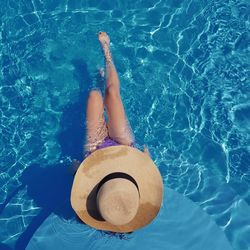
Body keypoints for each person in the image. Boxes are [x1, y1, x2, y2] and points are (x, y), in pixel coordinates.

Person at [70, 32, 163, 233]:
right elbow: (148, 172)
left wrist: (76, 170)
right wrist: (146, 162)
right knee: (111, 94)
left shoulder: (103, 201)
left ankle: (97, 78)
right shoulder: (127, 198)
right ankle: (106, 52)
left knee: (94, 96)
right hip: (125, 150)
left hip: (95, 154)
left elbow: (74, 168)